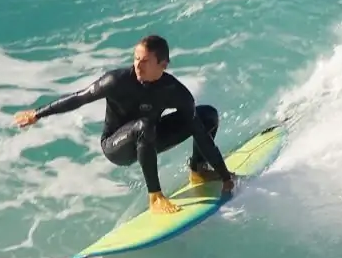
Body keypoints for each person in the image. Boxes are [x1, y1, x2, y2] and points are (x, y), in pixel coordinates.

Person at [14, 34, 236, 214]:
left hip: (148, 138)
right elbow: (79, 98)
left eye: (145, 61)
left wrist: (225, 177)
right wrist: (38, 114)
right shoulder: (116, 81)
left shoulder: (175, 92)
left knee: (206, 116)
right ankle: (155, 197)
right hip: (115, 145)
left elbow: (199, 132)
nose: (138, 65)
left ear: (163, 64)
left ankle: (199, 170)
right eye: (136, 58)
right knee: (144, 125)